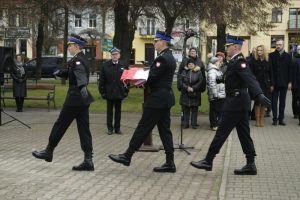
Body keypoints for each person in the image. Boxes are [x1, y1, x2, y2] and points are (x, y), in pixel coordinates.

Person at [190, 35, 271, 175]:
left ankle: (208, 160)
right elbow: (232, 78)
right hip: (239, 103)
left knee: (221, 132)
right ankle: (251, 164)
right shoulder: (233, 61)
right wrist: (221, 78)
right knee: (244, 134)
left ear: (235, 47)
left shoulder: (240, 62)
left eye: (228, 47)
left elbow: (250, 78)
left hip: (235, 103)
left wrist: (259, 94)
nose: (226, 49)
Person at [108, 30, 177, 173]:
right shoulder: (169, 57)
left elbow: (151, 77)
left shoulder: (162, 59)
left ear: (163, 42)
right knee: (165, 131)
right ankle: (170, 162)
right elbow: (154, 77)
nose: (154, 44)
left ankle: (127, 155)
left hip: (158, 99)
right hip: (164, 98)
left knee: (143, 127)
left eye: (156, 41)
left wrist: (135, 78)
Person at [32, 34, 95, 171]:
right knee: (84, 129)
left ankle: (48, 151)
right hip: (83, 101)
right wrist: (61, 72)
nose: (69, 48)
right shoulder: (81, 58)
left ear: (76, 46)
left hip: (74, 99)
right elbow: (73, 72)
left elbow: (79, 74)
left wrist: (82, 86)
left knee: (60, 125)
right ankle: (88, 160)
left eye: (70, 46)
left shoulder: (78, 61)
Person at [99, 47, 129, 135]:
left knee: (118, 112)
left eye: (116, 54)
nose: (115, 56)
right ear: (111, 55)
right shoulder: (105, 65)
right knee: (109, 112)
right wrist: (102, 92)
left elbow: (127, 80)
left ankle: (117, 128)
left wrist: (126, 91)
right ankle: (110, 129)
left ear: (119, 55)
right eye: (113, 55)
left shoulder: (123, 65)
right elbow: (102, 80)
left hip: (119, 92)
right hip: (109, 92)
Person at [269, 39, 292, 126]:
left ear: (283, 45)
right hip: (274, 83)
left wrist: (290, 82)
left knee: (283, 102)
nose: (278, 46)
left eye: (280, 44)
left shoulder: (288, 56)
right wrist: (271, 83)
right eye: (277, 44)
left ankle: (281, 119)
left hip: (284, 83)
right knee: (274, 102)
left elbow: (290, 70)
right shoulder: (271, 56)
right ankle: (275, 119)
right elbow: (270, 71)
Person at [249, 45, 273, 127]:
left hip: (266, 84)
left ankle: (262, 119)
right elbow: (251, 73)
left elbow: (271, 73)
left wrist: (272, 84)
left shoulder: (268, 61)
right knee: (257, 102)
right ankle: (257, 120)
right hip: (257, 84)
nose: (259, 52)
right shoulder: (253, 60)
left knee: (264, 103)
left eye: (261, 50)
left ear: (264, 51)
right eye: (258, 50)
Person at [177, 58, 204, 129]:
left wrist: (193, 88)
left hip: (195, 93)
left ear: (194, 65)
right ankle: (186, 124)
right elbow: (180, 81)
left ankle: (194, 124)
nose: (190, 65)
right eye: (189, 64)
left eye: (192, 64)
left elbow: (200, 81)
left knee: (194, 110)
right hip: (185, 93)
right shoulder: (183, 72)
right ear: (187, 65)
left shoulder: (199, 72)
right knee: (185, 109)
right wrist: (187, 87)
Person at [206, 55, 225, 131]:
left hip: (219, 93)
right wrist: (215, 94)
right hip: (216, 95)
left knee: (218, 109)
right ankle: (214, 125)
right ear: (215, 62)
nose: (220, 62)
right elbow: (212, 83)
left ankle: (217, 124)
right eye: (218, 61)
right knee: (214, 110)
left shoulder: (217, 70)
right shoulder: (212, 71)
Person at [292, 45, 300, 124]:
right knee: (295, 99)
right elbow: (292, 73)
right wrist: (292, 84)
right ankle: (295, 113)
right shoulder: (294, 59)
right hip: (296, 83)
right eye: (298, 49)